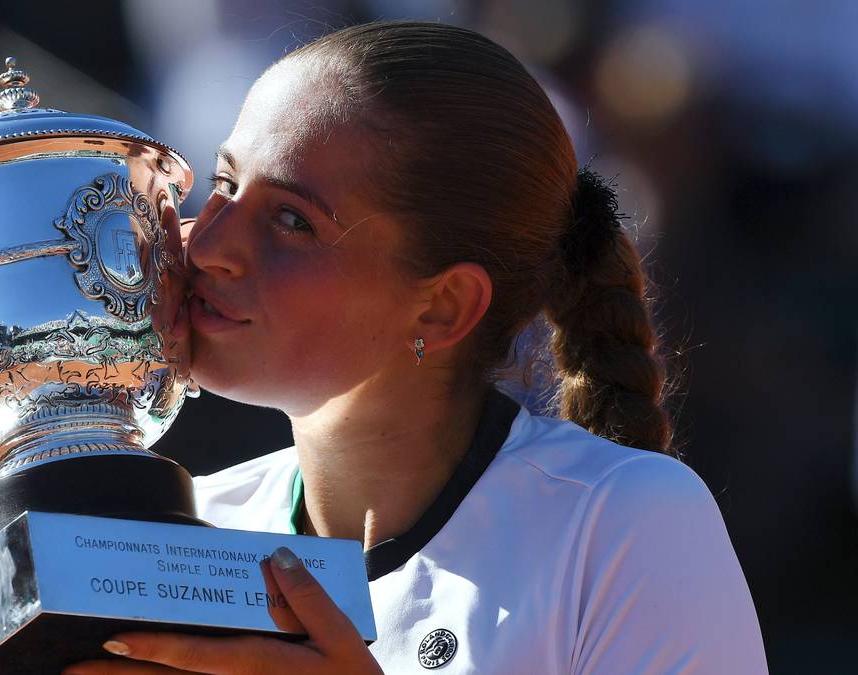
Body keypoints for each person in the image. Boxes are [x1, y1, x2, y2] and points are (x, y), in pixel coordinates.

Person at [64, 20, 766, 674]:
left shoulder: (627, 521)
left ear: (443, 305)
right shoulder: (182, 532)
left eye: (289, 219)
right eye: (224, 184)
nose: (208, 243)